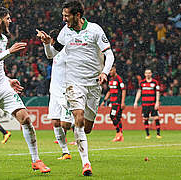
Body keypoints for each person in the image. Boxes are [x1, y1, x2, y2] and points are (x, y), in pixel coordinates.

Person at [39, 1, 115, 176]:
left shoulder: (95, 30)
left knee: (87, 127)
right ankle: (85, 163)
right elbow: (52, 54)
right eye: (63, 15)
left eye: (67, 16)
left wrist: (104, 72)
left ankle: (81, 143)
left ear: (78, 15)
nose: (64, 19)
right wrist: (46, 44)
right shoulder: (65, 32)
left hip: (94, 84)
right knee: (78, 117)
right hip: (74, 83)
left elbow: (109, 54)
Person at [0, 7, 50, 174]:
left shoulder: (3, 39)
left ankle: (36, 160)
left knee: (25, 118)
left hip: (2, 88)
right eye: (8, 18)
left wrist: (8, 80)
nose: (10, 21)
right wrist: (9, 51)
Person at [37, 29, 73, 160]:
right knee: (55, 122)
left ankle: (78, 120)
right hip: (54, 92)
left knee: (66, 125)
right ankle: (65, 152)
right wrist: (45, 43)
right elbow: (49, 54)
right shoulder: (54, 52)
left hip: (66, 92)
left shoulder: (67, 51)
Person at [134, 68, 162, 139]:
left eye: (149, 73)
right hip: (145, 104)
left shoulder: (155, 82)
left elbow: (157, 92)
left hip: (152, 103)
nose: (148, 74)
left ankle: (158, 134)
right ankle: (147, 134)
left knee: (156, 118)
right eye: (147, 73)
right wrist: (136, 101)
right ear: (144, 74)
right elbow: (139, 92)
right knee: (145, 118)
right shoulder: (142, 83)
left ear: (151, 74)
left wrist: (157, 102)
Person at [101, 65, 126, 142]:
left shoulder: (119, 79)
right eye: (109, 70)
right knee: (116, 117)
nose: (110, 72)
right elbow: (109, 91)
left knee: (113, 116)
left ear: (115, 70)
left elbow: (123, 90)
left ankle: (119, 133)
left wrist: (122, 102)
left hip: (117, 102)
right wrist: (104, 101)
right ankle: (119, 135)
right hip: (112, 101)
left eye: (111, 70)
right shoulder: (110, 79)